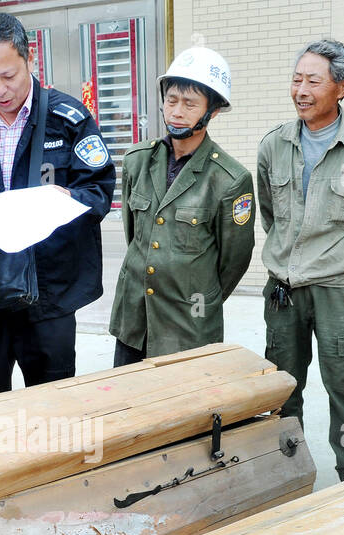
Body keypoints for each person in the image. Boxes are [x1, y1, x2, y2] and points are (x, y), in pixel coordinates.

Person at [0, 12, 115, 397]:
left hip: (48, 289)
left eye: (8, 76)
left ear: (29, 60)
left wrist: (69, 200)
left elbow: (98, 192)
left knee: (52, 398)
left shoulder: (69, 120)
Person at [257, 39, 344, 480]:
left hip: (343, 291)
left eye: (313, 81)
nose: (300, 90)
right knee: (282, 389)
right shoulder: (273, 145)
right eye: (296, 79)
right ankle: (286, 473)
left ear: (342, 87)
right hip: (284, 290)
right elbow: (270, 217)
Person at [109, 47, 255, 366]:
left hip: (188, 323)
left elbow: (233, 261)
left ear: (212, 111)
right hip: (135, 317)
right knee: (127, 405)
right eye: (172, 99)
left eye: (189, 103)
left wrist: (197, 293)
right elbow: (136, 235)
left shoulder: (229, 179)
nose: (176, 111)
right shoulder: (137, 161)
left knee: (184, 411)